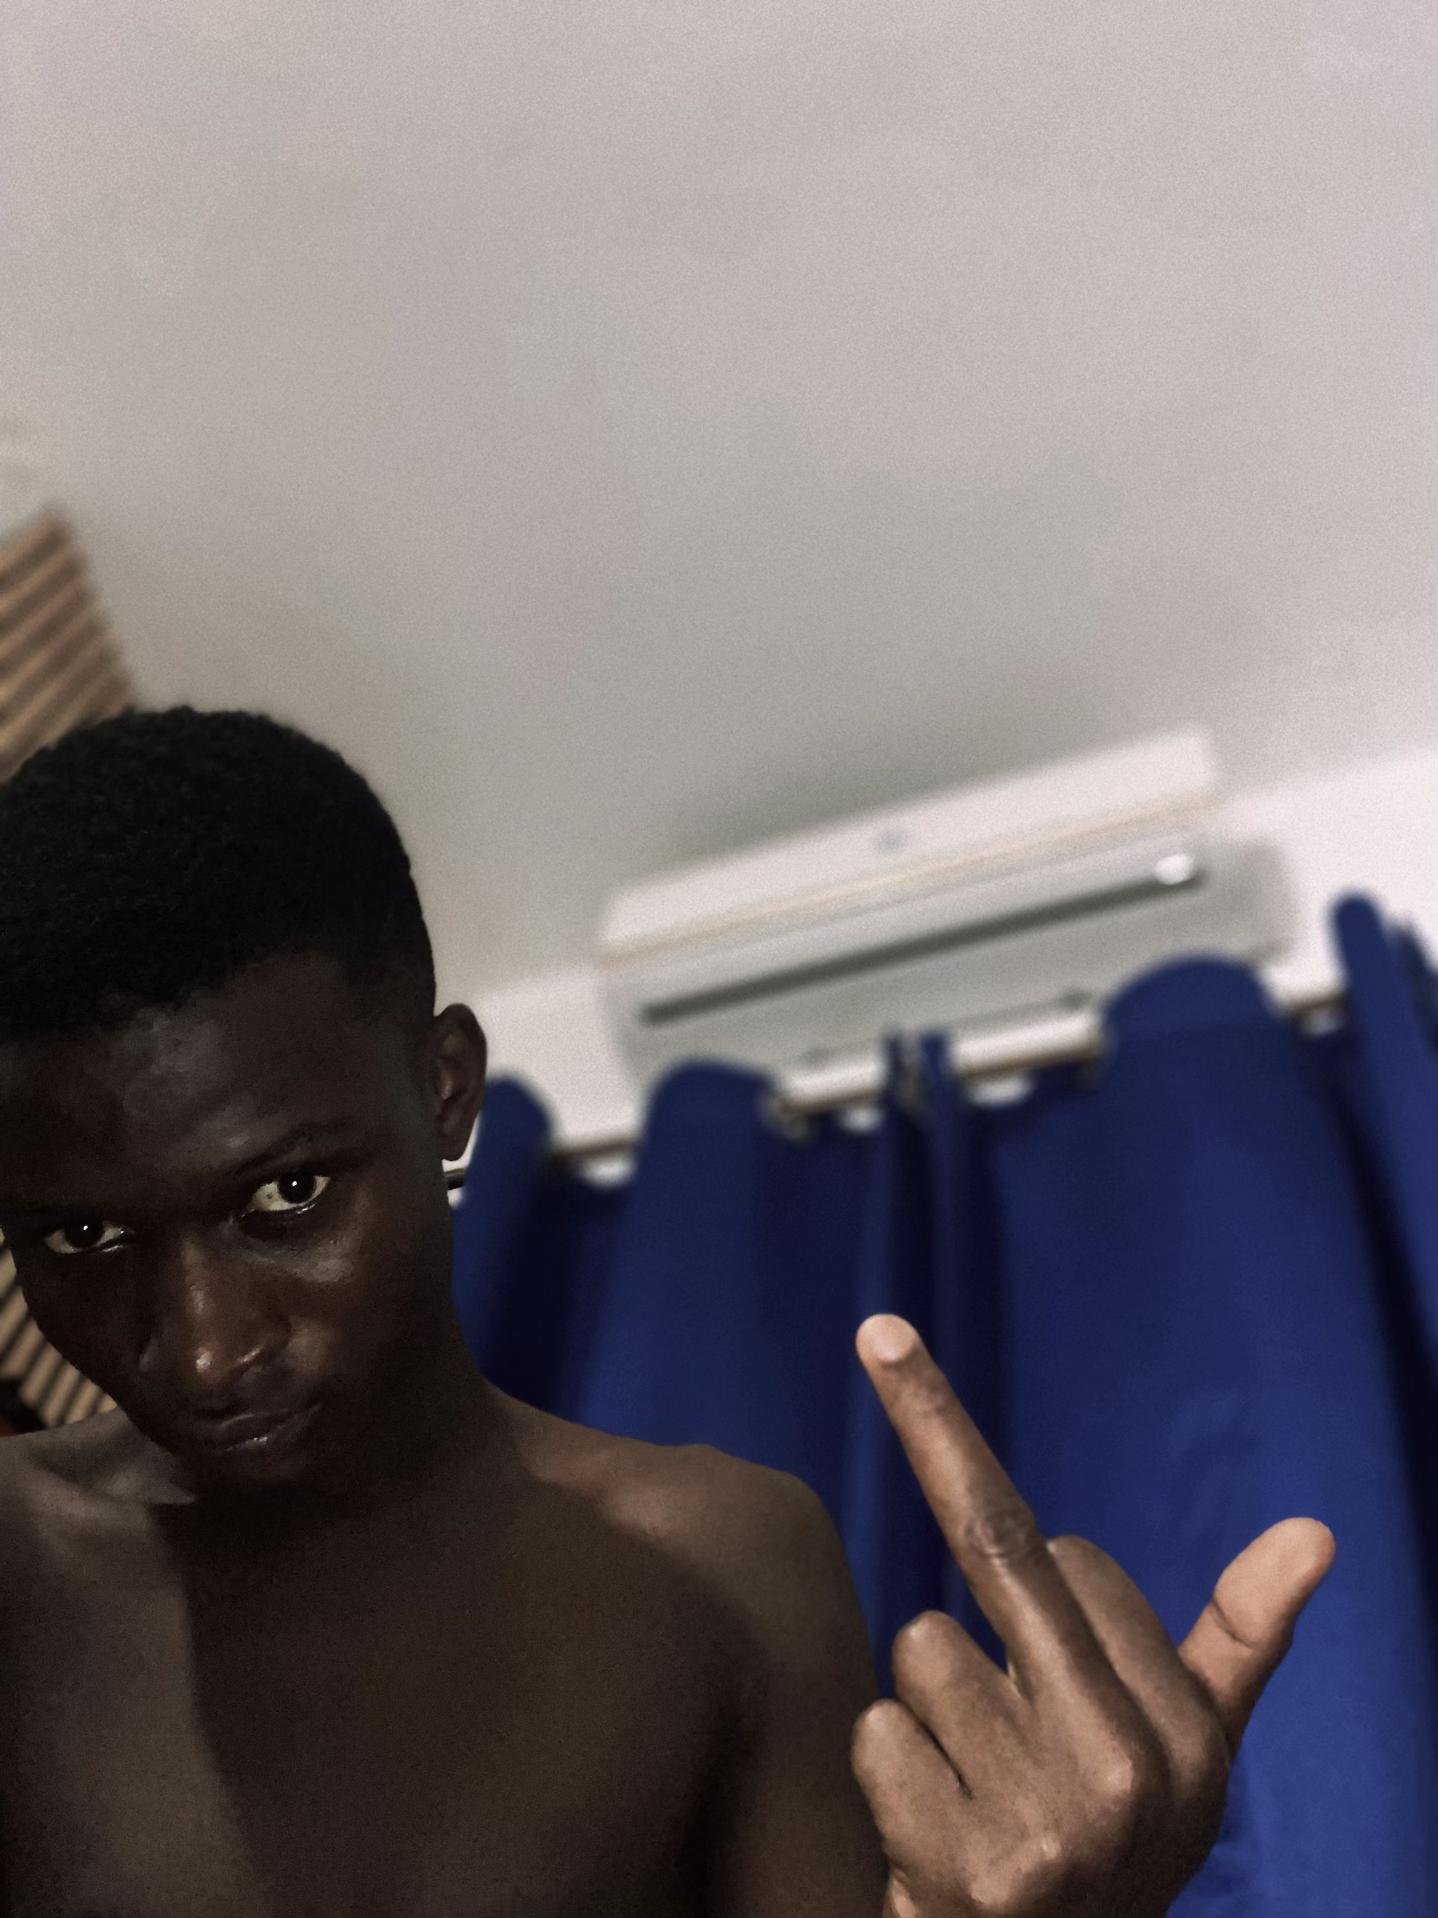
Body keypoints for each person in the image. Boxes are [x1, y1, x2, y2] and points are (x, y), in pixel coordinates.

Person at [0, 707, 1334, 1918]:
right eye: (81, 1237)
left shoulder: (724, 1566)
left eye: (286, 1195)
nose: (204, 1348)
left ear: (446, 1089)